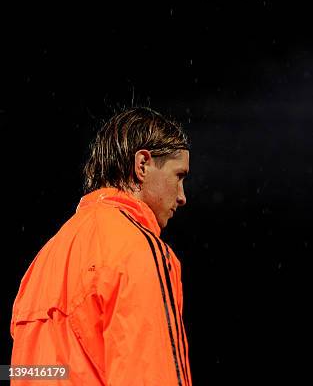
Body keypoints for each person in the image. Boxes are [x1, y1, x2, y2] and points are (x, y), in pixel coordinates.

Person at [10, 107, 193, 385]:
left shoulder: (44, 260)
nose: (182, 197)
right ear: (142, 165)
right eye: (179, 176)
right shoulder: (138, 251)